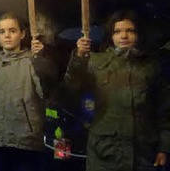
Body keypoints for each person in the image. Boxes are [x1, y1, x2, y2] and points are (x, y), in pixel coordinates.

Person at [65, 10, 170, 171]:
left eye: (130, 31)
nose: (124, 36)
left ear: (139, 34)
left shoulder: (151, 67)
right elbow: (73, 85)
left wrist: (164, 147)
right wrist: (79, 56)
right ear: (111, 36)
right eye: (117, 31)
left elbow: (164, 110)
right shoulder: (96, 62)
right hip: (105, 153)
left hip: (142, 154)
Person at [0, 13, 48, 171]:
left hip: (25, 142)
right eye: (2, 32)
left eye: (12, 30)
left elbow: (46, 91)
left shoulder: (31, 62)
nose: (7, 35)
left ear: (22, 34)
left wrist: (41, 60)